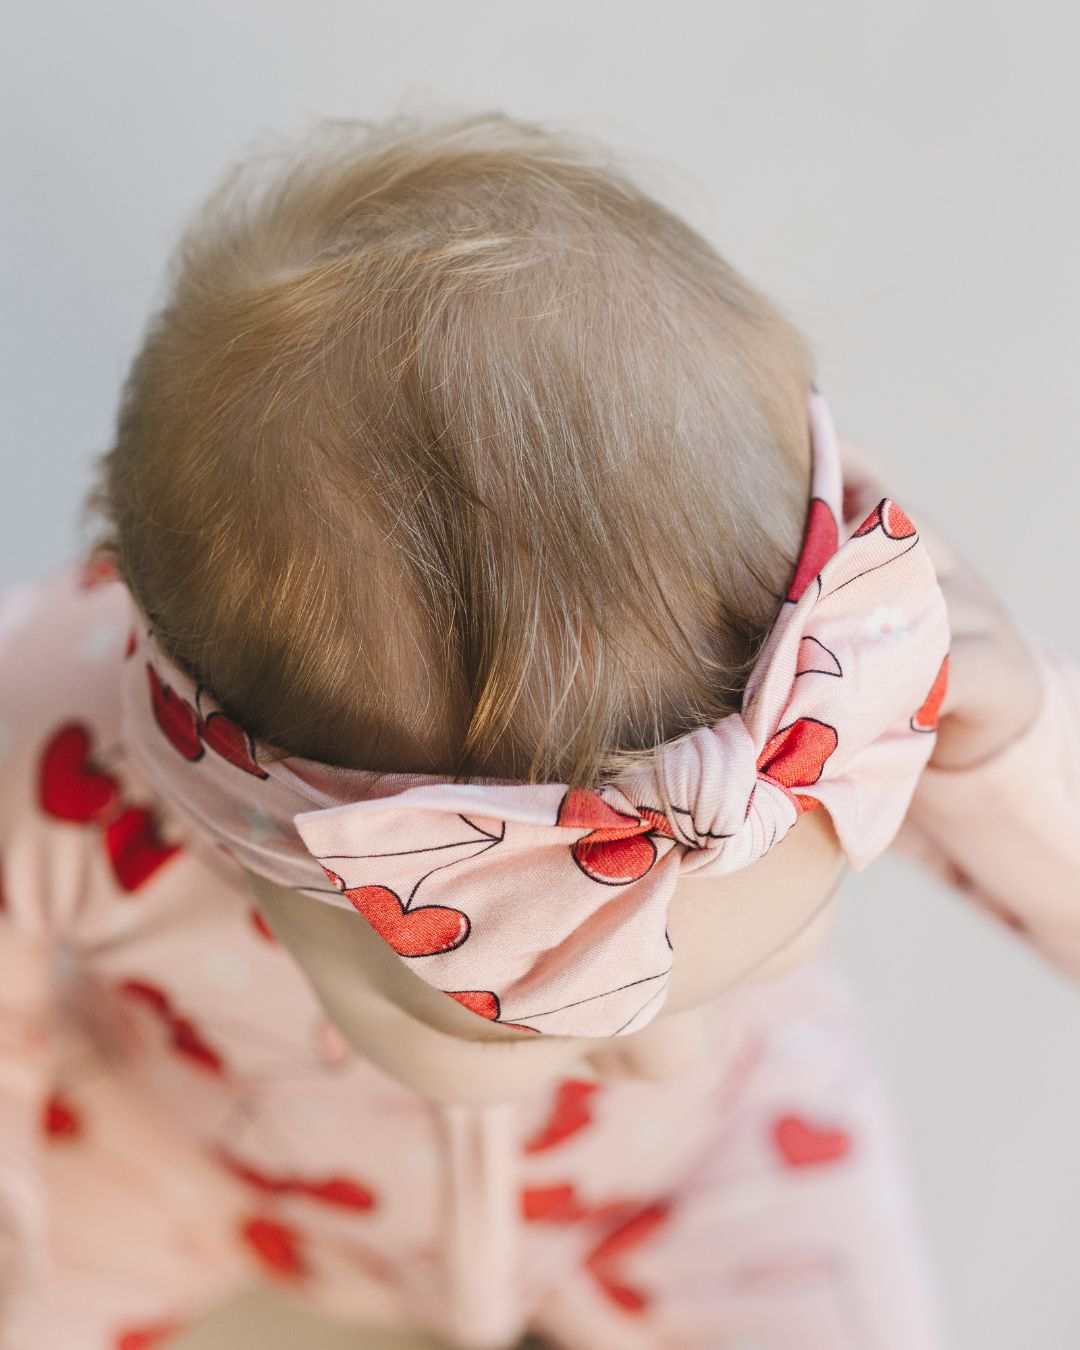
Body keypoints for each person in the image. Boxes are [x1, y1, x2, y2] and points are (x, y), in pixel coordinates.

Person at [0, 111, 1075, 1350]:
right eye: (512, 1025)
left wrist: (1018, 733)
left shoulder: (853, 650)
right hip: (206, 1174)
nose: (660, 1060)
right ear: (235, 837)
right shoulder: (61, 745)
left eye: (768, 954)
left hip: (706, 1178)